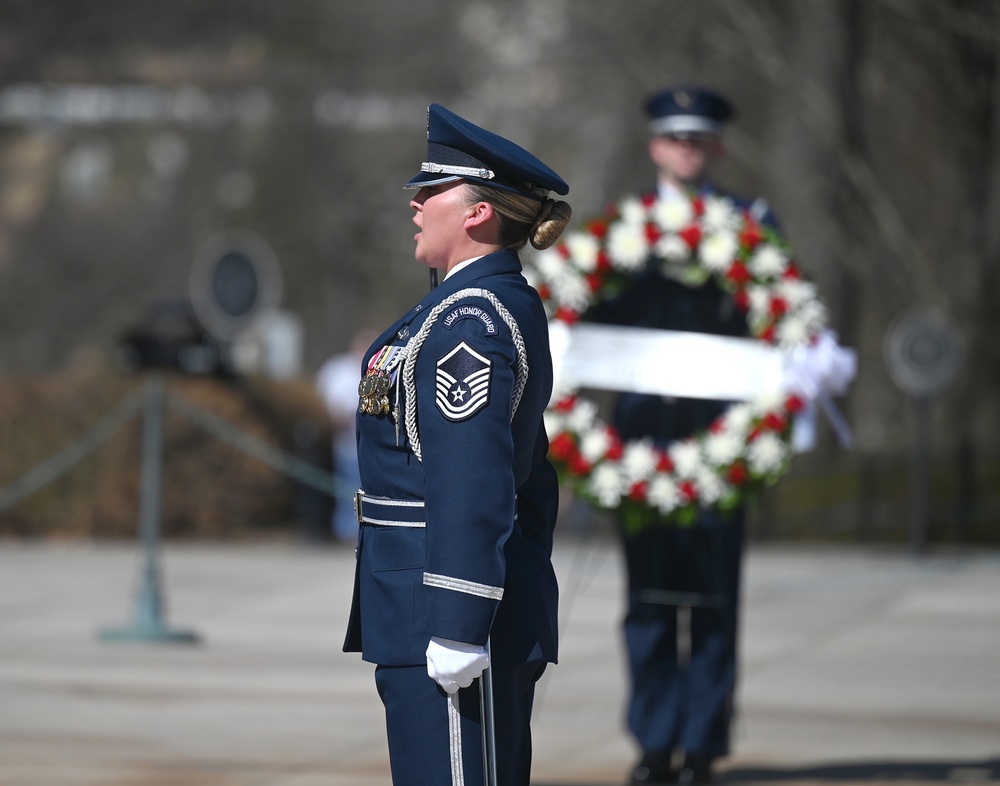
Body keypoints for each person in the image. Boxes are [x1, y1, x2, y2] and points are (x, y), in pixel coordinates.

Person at [343, 103, 572, 786]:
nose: (415, 201)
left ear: (477, 213)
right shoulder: (461, 309)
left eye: (433, 188)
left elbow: (472, 479)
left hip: (447, 613)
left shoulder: (470, 323)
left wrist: (461, 618)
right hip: (418, 607)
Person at [590, 86, 779, 785]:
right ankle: (654, 742)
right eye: (675, 139)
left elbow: (775, 321)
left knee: (712, 599)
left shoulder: (753, 225)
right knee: (648, 601)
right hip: (642, 439)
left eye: (698, 140)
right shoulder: (621, 231)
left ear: (718, 147)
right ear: (654, 146)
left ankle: (700, 746)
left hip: (721, 440)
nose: (686, 150)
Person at [316, 327, 379, 543]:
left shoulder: (380, 369)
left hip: (372, 448)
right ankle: (345, 532)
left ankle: (362, 532)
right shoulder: (338, 370)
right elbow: (323, 402)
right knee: (346, 491)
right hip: (345, 445)